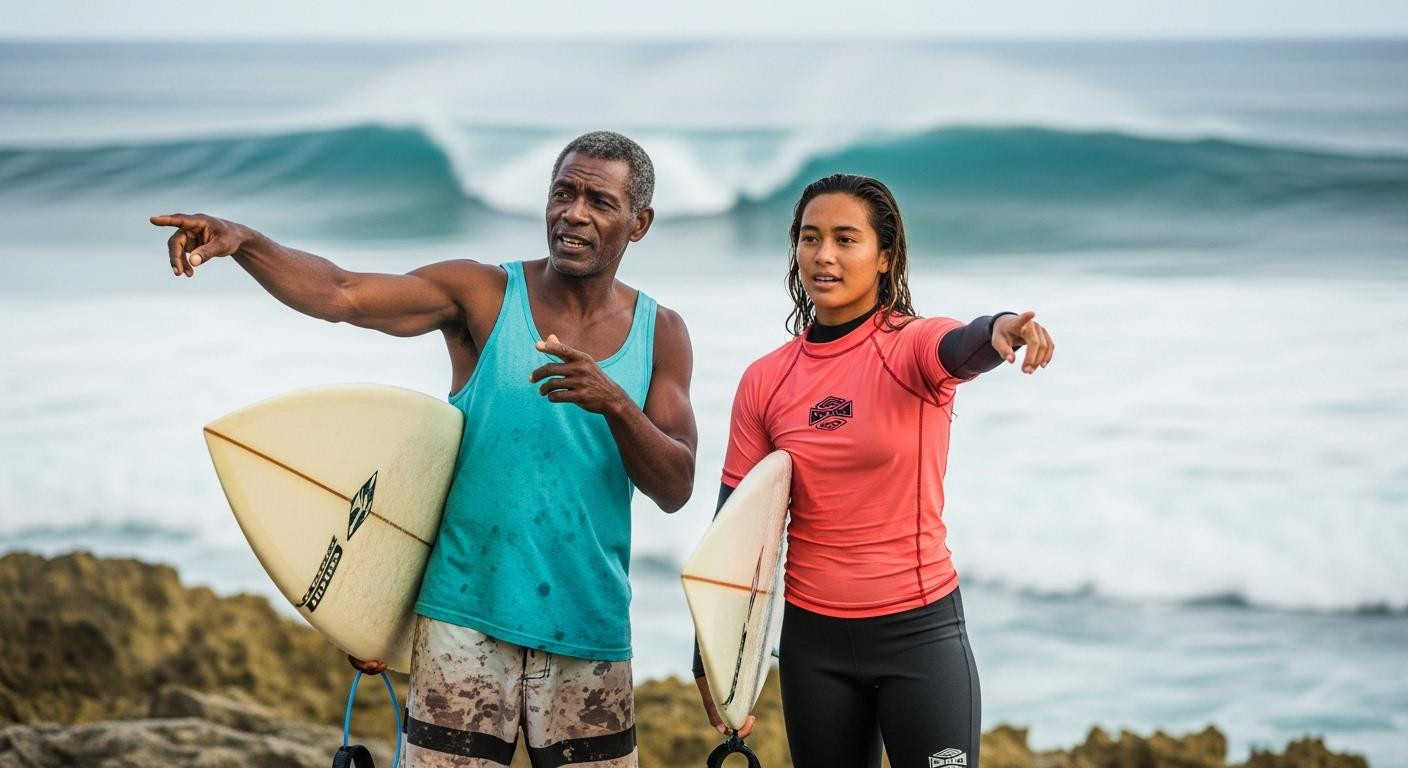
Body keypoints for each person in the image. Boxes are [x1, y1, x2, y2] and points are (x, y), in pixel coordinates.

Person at [153, 131, 698, 767]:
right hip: (461, 619)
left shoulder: (661, 333)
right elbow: (343, 293)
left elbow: (676, 485)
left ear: (640, 223)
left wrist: (615, 403)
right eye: (563, 193)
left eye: (599, 201)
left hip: (588, 626)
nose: (574, 213)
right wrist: (246, 242)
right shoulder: (484, 295)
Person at [693, 173, 1054, 768]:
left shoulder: (912, 348)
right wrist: (711, 659)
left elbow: (963, 345)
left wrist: (1002, 328)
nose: (824, 255)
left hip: (920, 637)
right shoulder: (766, 380)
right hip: (813, 646)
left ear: (885, 257)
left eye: (845, 239)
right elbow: (732, 533)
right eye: (810, 238)